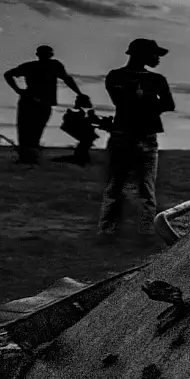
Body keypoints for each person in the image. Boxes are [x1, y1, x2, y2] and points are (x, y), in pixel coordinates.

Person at [99, 37, 175, 236]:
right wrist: (147, 102)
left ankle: (143, 233)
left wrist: (140, 99)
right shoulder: (116, 76)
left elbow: (168, 104)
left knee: (141, 190)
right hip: (126, 137)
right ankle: (110, 232)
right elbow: (124, 102)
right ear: (142, 55)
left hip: (138, 137)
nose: (158, 59)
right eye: (154, 55)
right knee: (117, 187)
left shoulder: (155, 79)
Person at [5, 45, 84, 165]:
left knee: (31, 131)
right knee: (29, 131)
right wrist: (17, 90)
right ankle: (27, 158)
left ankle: (29, 158)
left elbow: (67, 79)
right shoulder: (47, 65)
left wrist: (79, 93)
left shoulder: (47, 66)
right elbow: (8, 74)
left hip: (38, 103)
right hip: (32, 102)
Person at [54, 93, 110, 165]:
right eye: (87, 101)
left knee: (86, 141)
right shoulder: (76, 112)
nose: (89, 103)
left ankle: (81, 157)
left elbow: (90, 121)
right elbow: (80, 121)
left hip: (81, 130)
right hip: (77, 129)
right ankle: (80, 158)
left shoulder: (82, 112)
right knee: (86, 140)